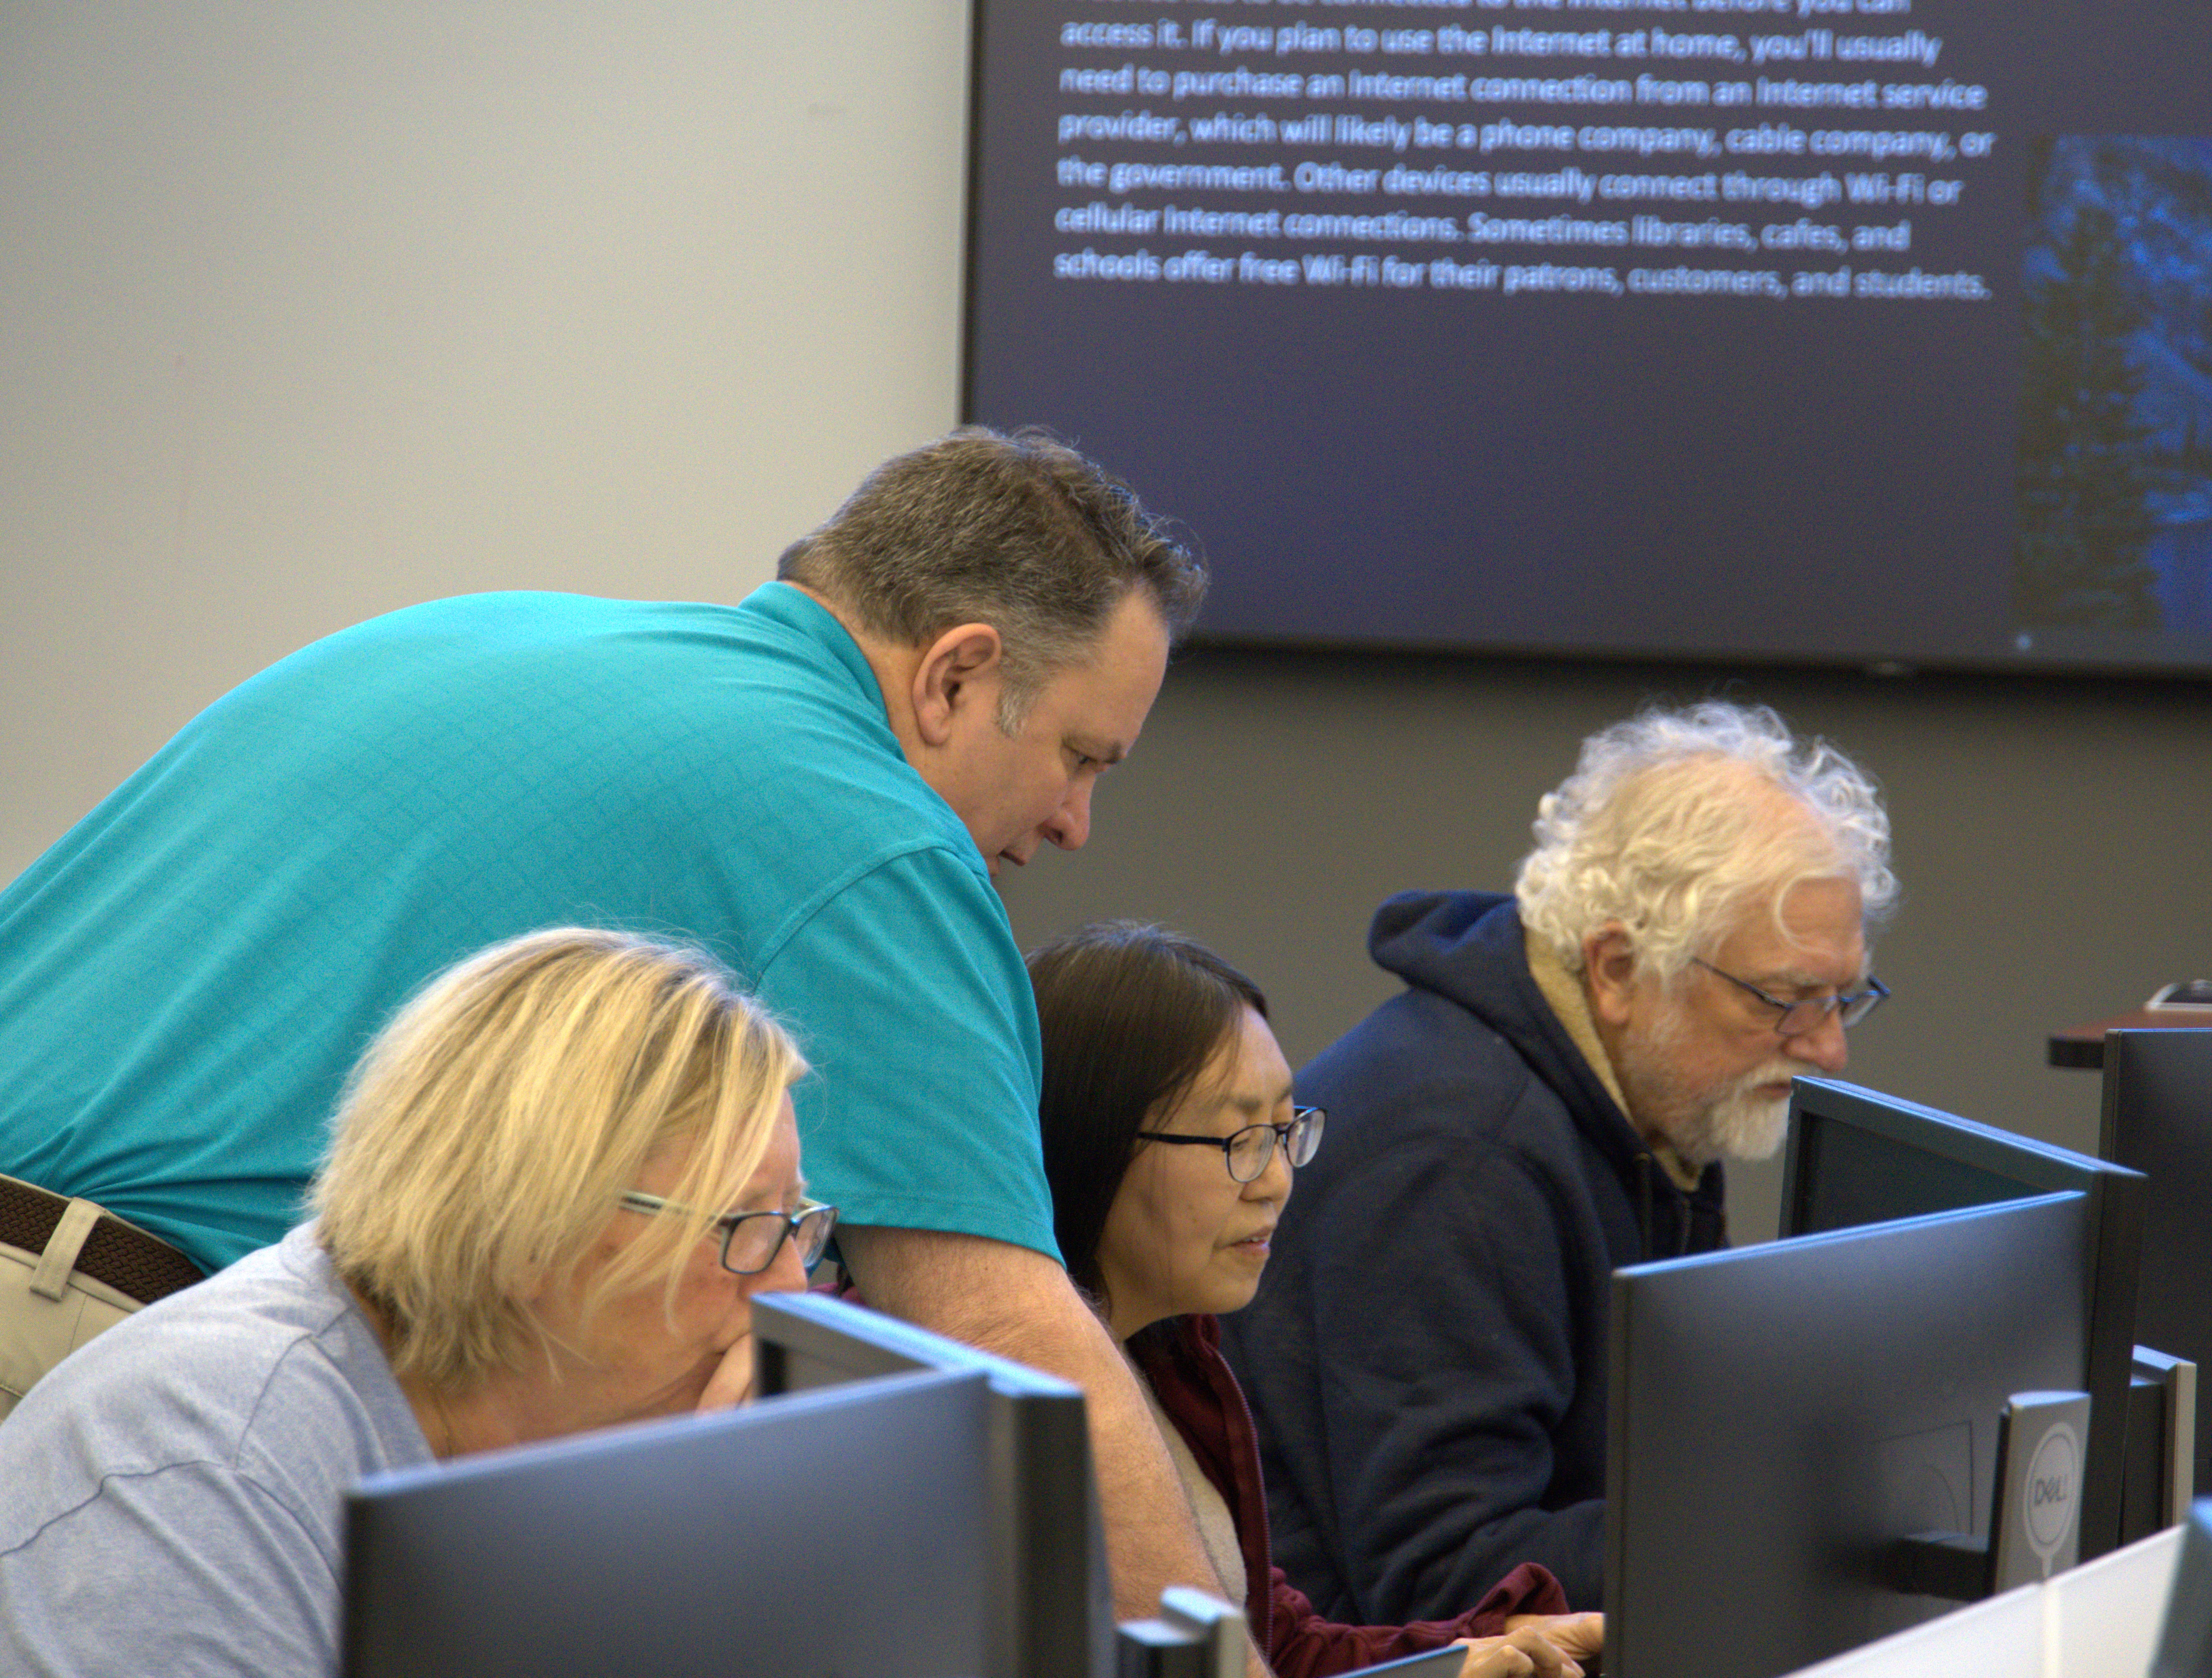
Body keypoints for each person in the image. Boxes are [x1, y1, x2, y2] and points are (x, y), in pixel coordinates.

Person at [0, 427, 1235, 1637]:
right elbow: (1004, 1337)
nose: (1078, 822)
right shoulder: (867, 829)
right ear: (955, 676)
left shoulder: (484, 631)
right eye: (1081, 756)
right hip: (123, 1376)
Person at [1221, 701, 1898, 1622]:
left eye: (1841, 997)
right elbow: (1445, 1577)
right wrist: (1786, 1517)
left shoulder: (1656, 1089)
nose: (1825, 1047)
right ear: (1617, 968)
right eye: (1785, 999)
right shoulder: (1461, 1160)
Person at [0, 927, 830, 1675]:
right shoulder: (207, 1473)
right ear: (528, 1231)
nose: (790, 1284)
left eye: (797, 1221)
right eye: (744, 1226)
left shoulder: (550, 1441)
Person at [1028, 922, 1605, 1678]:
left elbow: (1284, 1651)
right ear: (1095, 1143)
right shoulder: (1011, 1418)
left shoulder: (1179, 1366)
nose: (1275, 1181)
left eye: (1284, 1129)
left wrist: (1468, 1653)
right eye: (1239, 1139)